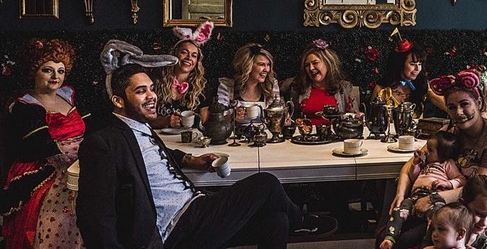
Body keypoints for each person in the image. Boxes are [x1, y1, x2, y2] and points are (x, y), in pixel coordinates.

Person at [76, 58, 337, 248]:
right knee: (266, 183)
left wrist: (190, 159)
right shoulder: (102, 143)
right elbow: (94, 218)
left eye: (152, 88)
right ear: (118, 101)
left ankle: (293, 220)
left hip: (196, 208)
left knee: (276, 221)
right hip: (175, 228)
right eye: (141, 91)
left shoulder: (140, 127)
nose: (152, 96)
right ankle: (303, 221)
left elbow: (151, 156)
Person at [379, 69, 487, 248]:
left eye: (464, 104)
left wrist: (434, 198)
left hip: (472, 214)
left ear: (479, 102)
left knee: (406, 240)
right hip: (442, 206)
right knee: (386, 232)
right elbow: (409, 165)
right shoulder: (450, 131)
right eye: (452, 107)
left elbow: (479, 191)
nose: (458, 112)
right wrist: (400, 194)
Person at [1, 39, 89, 248]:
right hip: (45, 166)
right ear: (34, 72)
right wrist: (70, 160)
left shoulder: (69, 96)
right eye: (48, 70)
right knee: (65, 206)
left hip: (81, 161)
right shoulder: (25, 105)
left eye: (61, 71)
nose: (55, 76)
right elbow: (39, 144)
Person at [380, 131, 466, 249]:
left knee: (436, 218)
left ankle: (428, 244)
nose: (425, 151)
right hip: (415, 196)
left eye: (430, 150)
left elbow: (461, 180)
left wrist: (448, 183)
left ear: (443, 154)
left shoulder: (447, 164)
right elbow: (413, 177)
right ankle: (390, 238)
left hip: (433, 198)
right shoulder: (425, 163)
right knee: (399, 211)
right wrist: (415, 164)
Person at [152, 20, 213, 128]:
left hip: (191, 137)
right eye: (184, 52)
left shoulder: (202, 87)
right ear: (175, 54)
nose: (189, 58)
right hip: (159, 135)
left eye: (194, 55)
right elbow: (145, 120)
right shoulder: (156, 82)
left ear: (197, 62)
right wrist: (166, 121)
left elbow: (205, 123)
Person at [421, 174, 487, 249]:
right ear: (463, 204)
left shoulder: (486, 246)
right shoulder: (440, 226)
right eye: (479, 214)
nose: (484, 223)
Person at [283, 39, 355, 125]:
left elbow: (353, 116)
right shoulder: (296, 87)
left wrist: (357, 116)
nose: (311, 68)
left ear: (328, 63)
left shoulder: (344, 88)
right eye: (307, 65)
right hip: (305, 133)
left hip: (335, 133)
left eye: (315, 63)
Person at [371, 34, 446, 118]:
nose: (418, 69)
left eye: (420, 64)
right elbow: (373, 119)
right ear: (400, 64)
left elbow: (446, 106)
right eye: (413, 64)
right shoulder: (381, 89)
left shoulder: (421, 85)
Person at [214, 43, 281, 123]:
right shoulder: (227, 86)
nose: (266, 70)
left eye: (268, 65)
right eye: (261, 64)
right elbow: (218, 119)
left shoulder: (271, 85)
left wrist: (283, 119)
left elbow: (277, 118)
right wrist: (232, 117)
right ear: (247, 65)